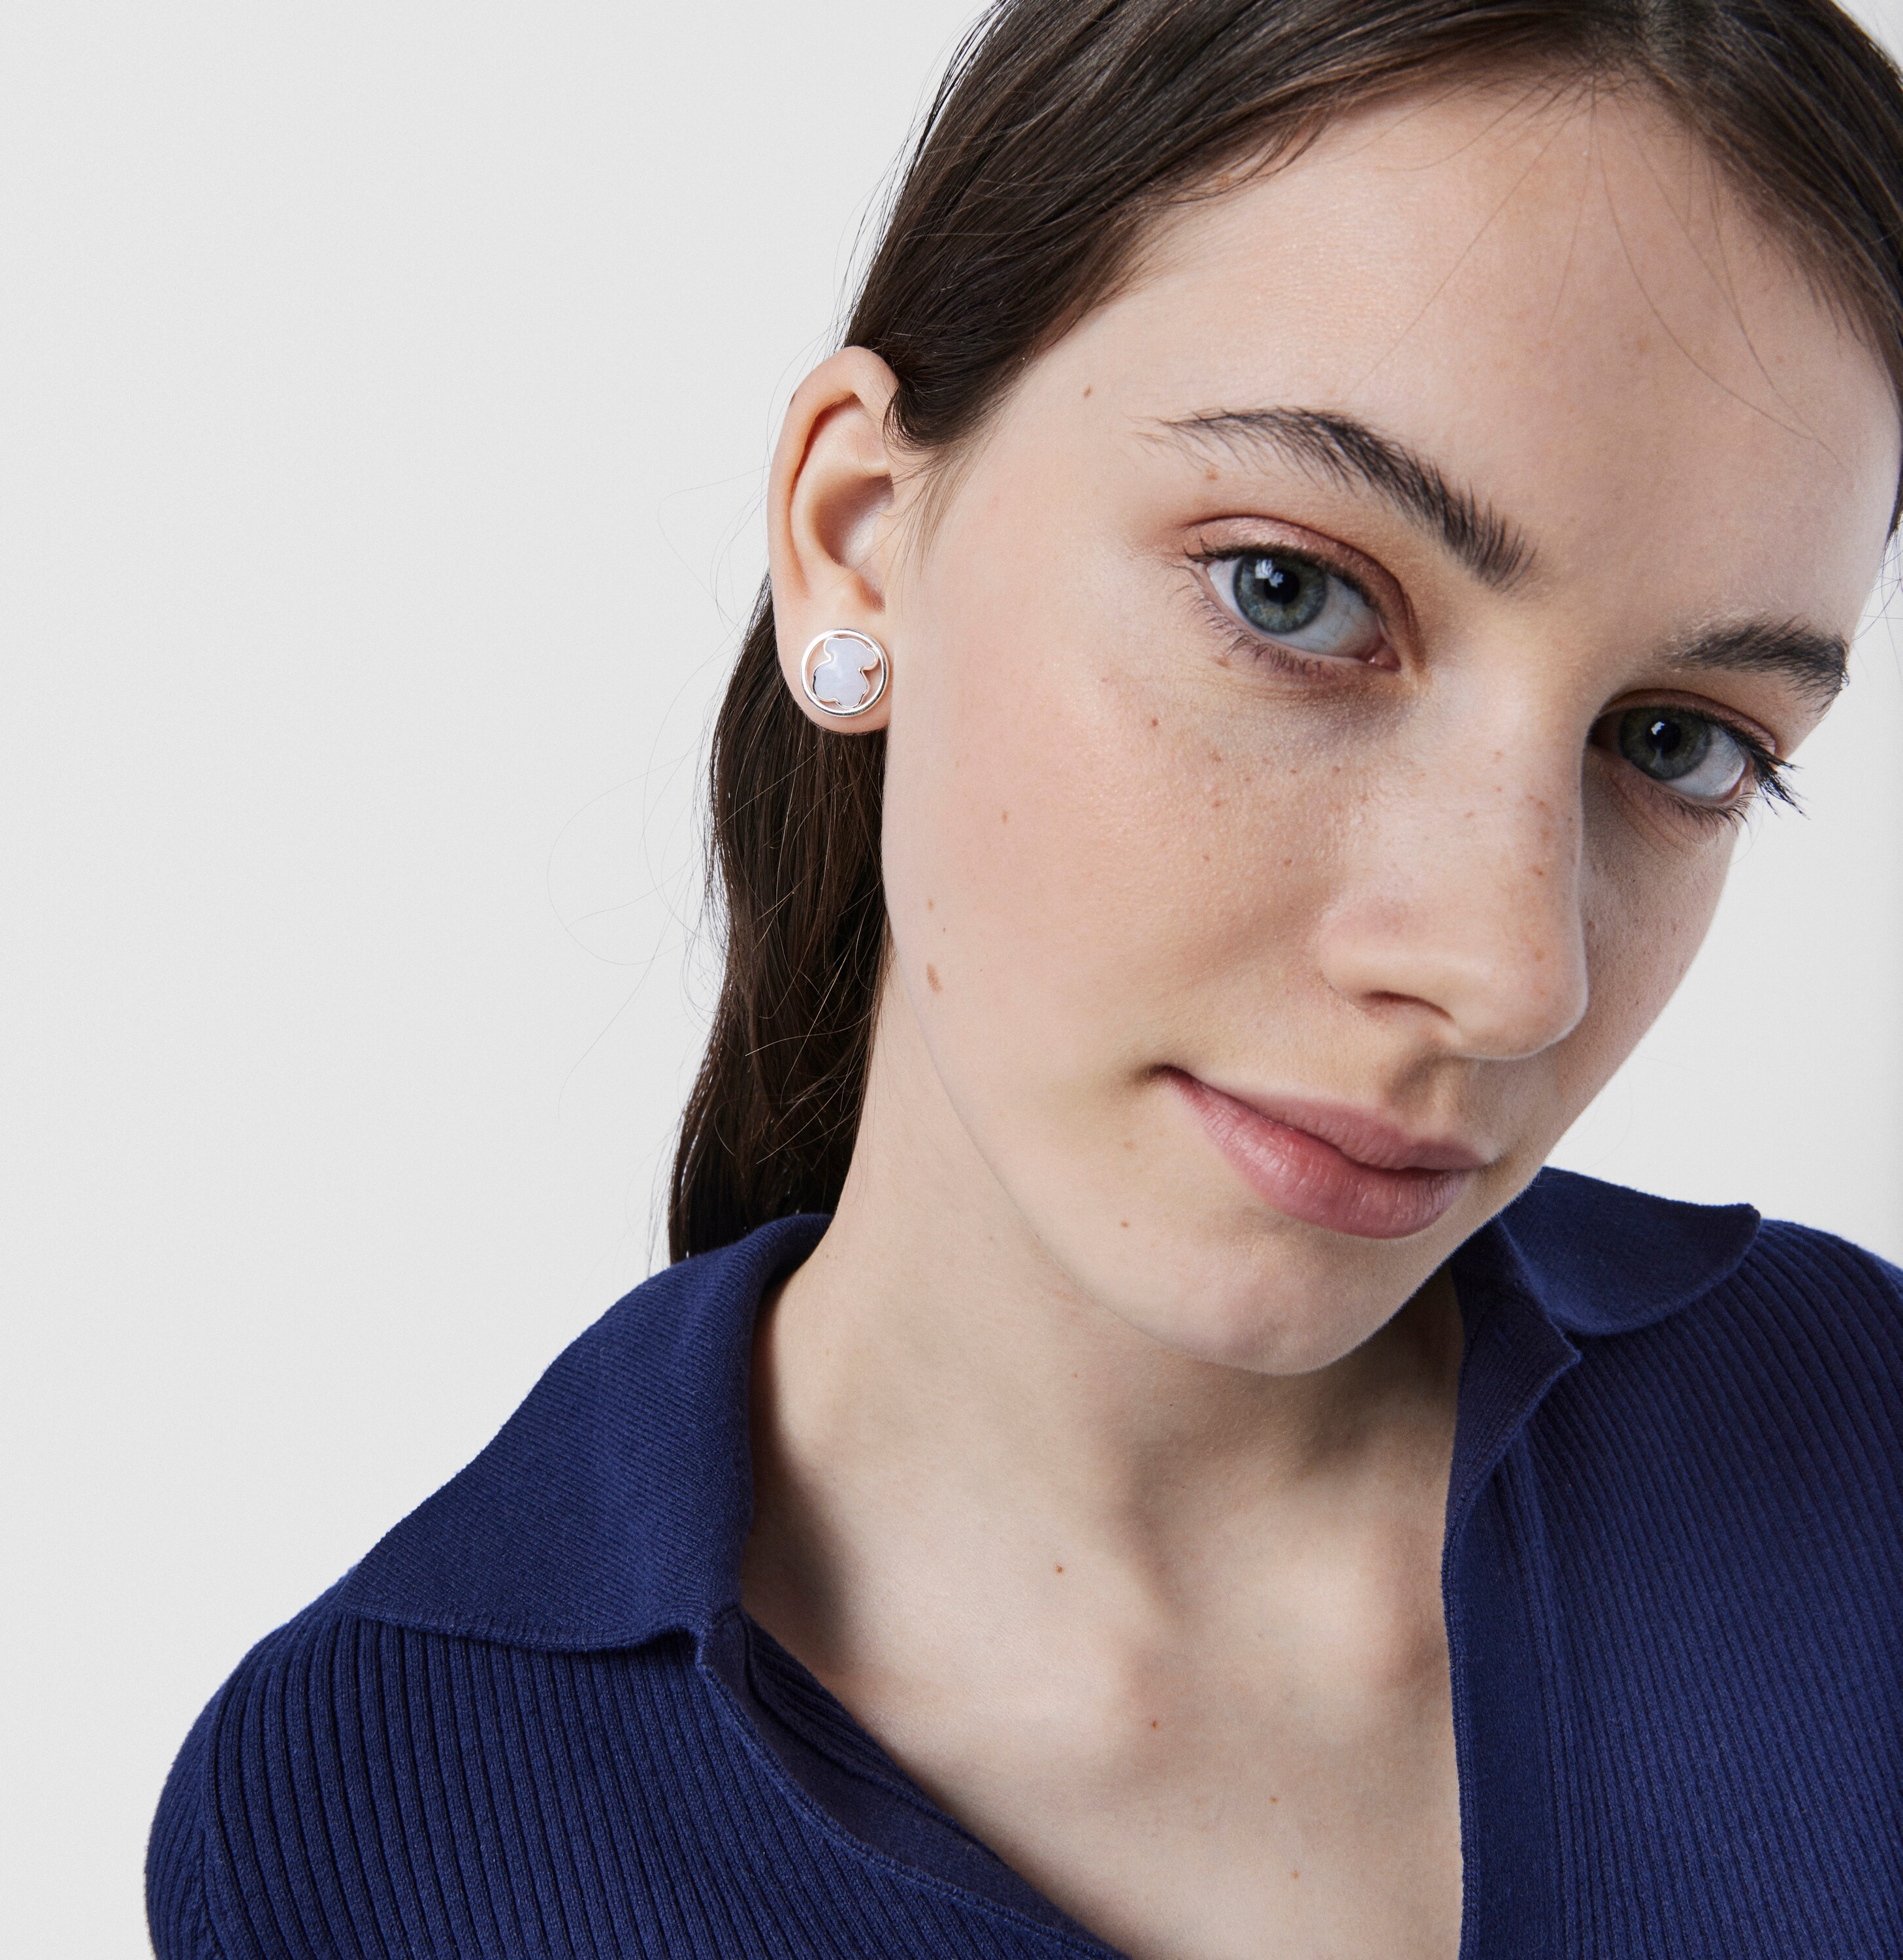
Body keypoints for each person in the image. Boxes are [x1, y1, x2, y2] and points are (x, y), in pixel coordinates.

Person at [146, 3, 1903, 1955]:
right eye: (1292, 592)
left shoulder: (1865, 1463)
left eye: (1675, 743)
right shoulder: (388, 1822)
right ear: (857, 542)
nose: (1507, 973)